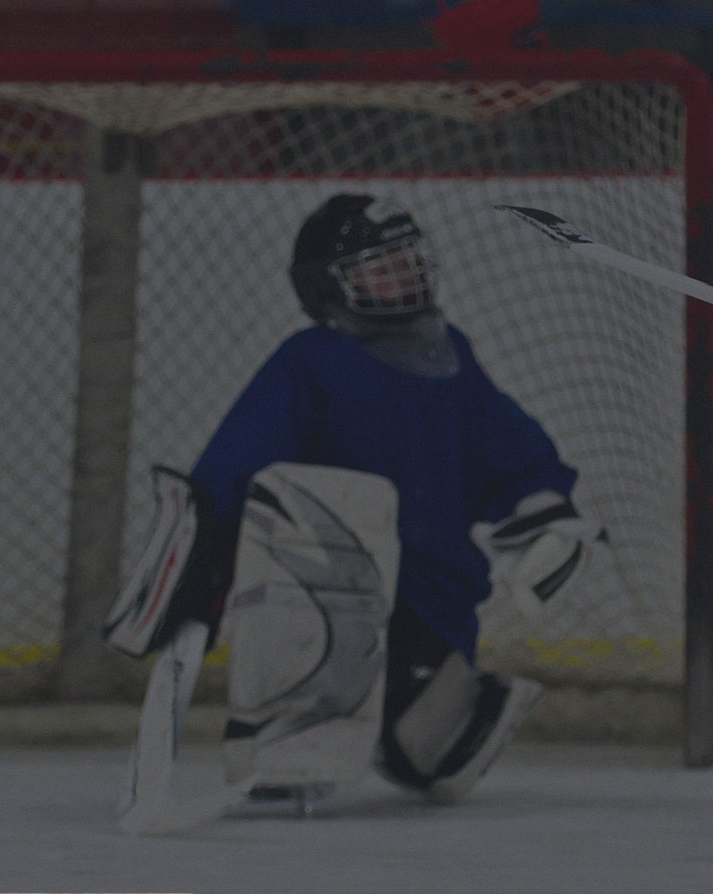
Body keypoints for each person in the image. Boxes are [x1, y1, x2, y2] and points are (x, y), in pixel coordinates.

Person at [105, 193, 602, 808]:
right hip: (329, 591)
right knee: (312, 506)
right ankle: (293, 729)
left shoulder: (451, 355)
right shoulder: (312, 360)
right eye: (378, 267)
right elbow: (234, 471)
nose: (403, 276)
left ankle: (391, 719)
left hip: (434, 600)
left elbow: (516, 455)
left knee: (432, 758)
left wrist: (544, 516)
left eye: (407, 260)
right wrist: (201, 566)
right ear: (326, 288)